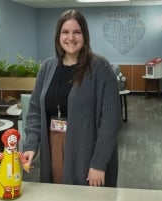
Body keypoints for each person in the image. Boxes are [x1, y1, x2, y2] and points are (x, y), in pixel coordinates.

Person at [23, 9, 122, 187]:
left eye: (77, 32)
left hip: (87, 150)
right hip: (53, 145)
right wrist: (31, 144)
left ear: (84, 35)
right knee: (57, 194)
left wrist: (99, 163)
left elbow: (111, 121)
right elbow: (35, 110)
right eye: (65, 32)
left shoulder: (100, 67)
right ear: (58, 36)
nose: (71, 37)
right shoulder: (47, 67)